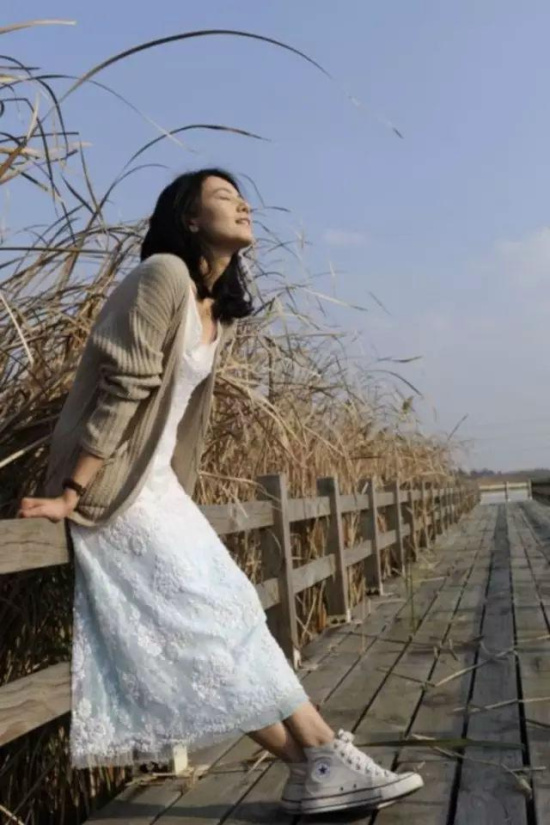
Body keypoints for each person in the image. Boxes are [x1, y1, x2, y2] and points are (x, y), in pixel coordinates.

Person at [17, 168, 423, 816]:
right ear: (189, 218)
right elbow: (123, 389)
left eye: (242, 198)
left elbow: (175, 419)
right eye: (225, 199)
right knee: (217, 623)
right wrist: (71, 492)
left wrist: (176, 487)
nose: (244, 206)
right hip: (113, 490)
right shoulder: (163, 277)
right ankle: (324, 750)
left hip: (158, 491)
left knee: (224, 620)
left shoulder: (216, 309)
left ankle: (310, 767)